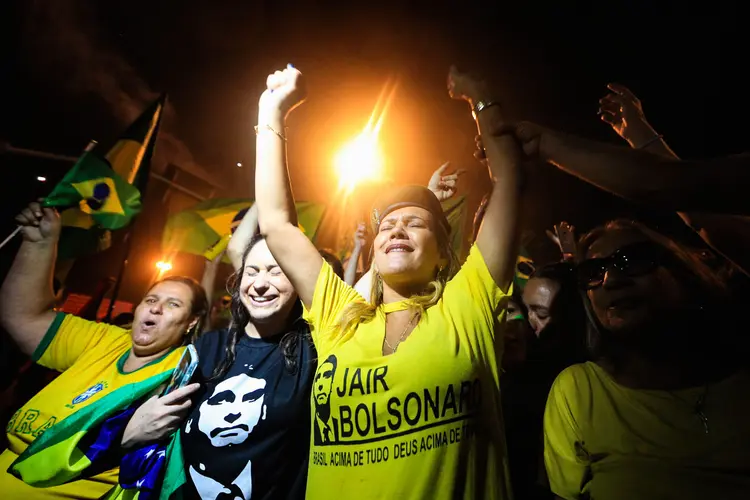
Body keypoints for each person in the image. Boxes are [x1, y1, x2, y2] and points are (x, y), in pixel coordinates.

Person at [253, 64, 522, 499]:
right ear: (375, 252)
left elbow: (509, 177)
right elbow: (277, 224)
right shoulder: (340, 317)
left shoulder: (467, 304)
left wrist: (481, 97)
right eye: (387, 226)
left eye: (414, 224)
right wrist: (272, 111)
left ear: (443, 253)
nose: (396, 230)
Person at [0, 201, 206, 499]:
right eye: (150, 299)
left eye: (173, 304)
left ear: (190, 322)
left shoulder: (185, 369)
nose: (157, 308)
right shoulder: (105, 339)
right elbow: (22, 317)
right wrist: (40, 244)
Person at [544, 219, 750, 499]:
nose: (612, 280)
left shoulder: (740, 382)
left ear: (681, 271)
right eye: (593, 271)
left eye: (633, 260)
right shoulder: (580, 393)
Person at [173, 233, 316, 500]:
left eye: (277, 272)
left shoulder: (312, 354)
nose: (260, 284)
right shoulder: (207, 347)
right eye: (252, 272)